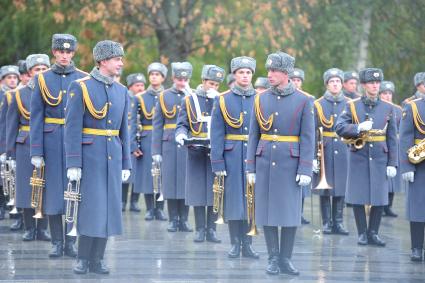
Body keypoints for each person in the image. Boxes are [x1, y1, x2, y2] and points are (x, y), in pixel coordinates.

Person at [65, 40, 131, 274]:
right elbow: (72, 128)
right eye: (117, 59)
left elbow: (125, 131)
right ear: (103, 61)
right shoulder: (80, 86)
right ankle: (83, 258)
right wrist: (73, 162)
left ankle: (98, 259)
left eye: (121, 59)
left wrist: (126, 162)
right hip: (89, 156)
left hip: (112, 156)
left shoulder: (122, 91)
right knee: (91, 207)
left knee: (109, 209)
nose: (121, 63)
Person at [246, 51, 314, 275]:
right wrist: (251, 167)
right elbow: (253, 135)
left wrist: (305, 167)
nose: (270, 74)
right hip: (265, 160)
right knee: (267, 213)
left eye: (275, 70)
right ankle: (273, 258)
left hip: (290, 163)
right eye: (269, 70)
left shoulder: (304, 100)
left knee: (289, 213)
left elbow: (308, 137)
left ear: (286, 73)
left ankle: (286, 258)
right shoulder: (260, 98)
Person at [30, 34, 88, 258]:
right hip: (51, 141)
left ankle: (71, 241)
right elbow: (36, 117)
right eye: (60, 51)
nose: (64, 55)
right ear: (54, 52)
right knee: (54, 194)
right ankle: (56, 241)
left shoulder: (83, 79)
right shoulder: (42, 79)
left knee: (74, 191)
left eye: (68, 52)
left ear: (73, 53)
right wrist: (36, 150)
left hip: (76, 143)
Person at [336, 68, 398, 247]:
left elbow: (392, 138)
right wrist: (357, 128)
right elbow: (339, 126)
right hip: (359, 155)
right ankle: (362, 233)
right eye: (371, 83)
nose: (375, 86)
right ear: (363, 85)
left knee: (379, 196)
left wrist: (392, 162)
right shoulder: (353, 105)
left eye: (377, 83)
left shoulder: (388, 108)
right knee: (358, 196)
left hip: (380, 156)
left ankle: (374, 232)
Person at [210, 56, 259, 258]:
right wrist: (217, 161)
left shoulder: (260, 98)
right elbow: (217, 133)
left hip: (253, 156)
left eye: (248, 72)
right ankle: (235, 243)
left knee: (251, 199)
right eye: (241, 72)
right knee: (234, 201)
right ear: (234, 75)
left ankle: (248, 244)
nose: (245, 76)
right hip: (231, 156)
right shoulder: (222, 99)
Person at [175, 64, 224, 243]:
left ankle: (212, 229)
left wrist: (219, 100)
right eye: (211, 83)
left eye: (217, 85)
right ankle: (200, 229)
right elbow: (182, 123)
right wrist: (180, 134)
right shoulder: (189, 100)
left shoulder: (222, 100)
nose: (214, 87)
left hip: (216, 151)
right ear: (203, 81)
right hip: (196, 149)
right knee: (197, 190)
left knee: (214, 191)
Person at [6, 55, 51, 241]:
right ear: (30, 73)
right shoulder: (20, 94)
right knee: (26, 188)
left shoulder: (54, 93)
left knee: (46, 188)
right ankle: (29, 228)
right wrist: (9, 153)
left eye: (43, 69)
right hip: (25, 143)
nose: (40, 72)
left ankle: (43, 229)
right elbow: (11, 124)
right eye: (37, 69)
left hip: (48, 142)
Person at [152, 62, 192, 231]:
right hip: (168, 142)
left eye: (185, 79)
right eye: (178, 78)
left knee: (185, 181)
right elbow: (157, 124)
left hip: (187, 143)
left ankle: (184, 219)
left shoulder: (192, 96)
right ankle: (173, 219)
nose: (182, 82)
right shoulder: (163, 96)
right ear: (173, 78)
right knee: (170, 182)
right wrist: (156, 150)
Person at [312, 68, 349, 235]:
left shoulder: (349, 103)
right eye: (332, 82)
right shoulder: (317, 104)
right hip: (324, 147)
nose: (335, 84)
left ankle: (338, 222)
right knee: (325, 188)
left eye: (338, 82)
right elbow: (312, 131)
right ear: (327, 84)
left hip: (343, 147)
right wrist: (313, 156)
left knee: (341, 186)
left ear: (342, 84)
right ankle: (327, 222)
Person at [132, 64, 167, 221]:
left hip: (163, 138)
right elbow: (132, 122)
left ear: (163, 78)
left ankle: (159, 209)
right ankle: (149, 208)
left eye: (157, 74)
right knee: (148, 175)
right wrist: (134, 144)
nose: (154, 77)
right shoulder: (140, 97)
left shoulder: (168, 96)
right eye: (151, 74)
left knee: (162, 174)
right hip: (146, 138)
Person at [400, 88, 425, 262]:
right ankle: (416, 247)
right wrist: (407, 166)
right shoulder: (413, 107)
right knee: (418, 208)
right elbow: (405, 137)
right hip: (420, 163)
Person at [122, 73, 145, 212]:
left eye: (142, 85)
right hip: (127, 138)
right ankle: (122, 201)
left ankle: (134, 202)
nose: (141, 88)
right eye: (137, 85)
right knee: (126, 172)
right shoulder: (126, 97)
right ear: (131, 87)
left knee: (137, 173)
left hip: (140, 136)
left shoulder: (144, 99)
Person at [0, 65, 21, 220]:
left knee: (12, 175)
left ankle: (14, 207)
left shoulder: (18, 94)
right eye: (9, 77)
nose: (13, 80)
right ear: (3, 80)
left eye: (15, 77)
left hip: (12, 137)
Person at [379, 81, 402, 217]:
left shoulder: (398, 109)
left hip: (395, 144)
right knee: (383, 178)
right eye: (384, 93)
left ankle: (389, 206)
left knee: (393, 179)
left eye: (389, 93)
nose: (387, 96)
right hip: (381, 144)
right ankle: (380, 206)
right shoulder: (378, 108)